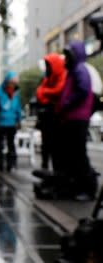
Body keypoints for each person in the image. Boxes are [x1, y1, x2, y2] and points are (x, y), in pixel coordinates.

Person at [58, 41, 96, 200]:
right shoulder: (74, 70)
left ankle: (87, 189)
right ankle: (77, 187)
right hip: (73, 117)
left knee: (79, 154)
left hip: (78, 117)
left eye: (68, 54)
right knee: (74, 154)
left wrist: (66, 104)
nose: (66, 58)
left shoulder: (80, 69)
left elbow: (83, 89)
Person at [36, 53, 67, 170]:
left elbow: (59, 91)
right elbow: (39, 94)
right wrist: (48, 94)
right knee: (46, 145)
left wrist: (46, 92)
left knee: (56, 147)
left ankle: (56, 172)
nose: (47, 68)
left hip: (57, 118)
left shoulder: (63, 75)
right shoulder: (47, 78)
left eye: (48, 65)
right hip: (47, 118)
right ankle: (45, 168)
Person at [0, 71, 22, 172]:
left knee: (11, 144)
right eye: (11, 82)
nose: (12, 85)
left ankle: (11, 164)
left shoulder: (15, 93)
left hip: (12, 124)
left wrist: (19, 119)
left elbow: (18, 108)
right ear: (6, 82)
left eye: (14, 83)